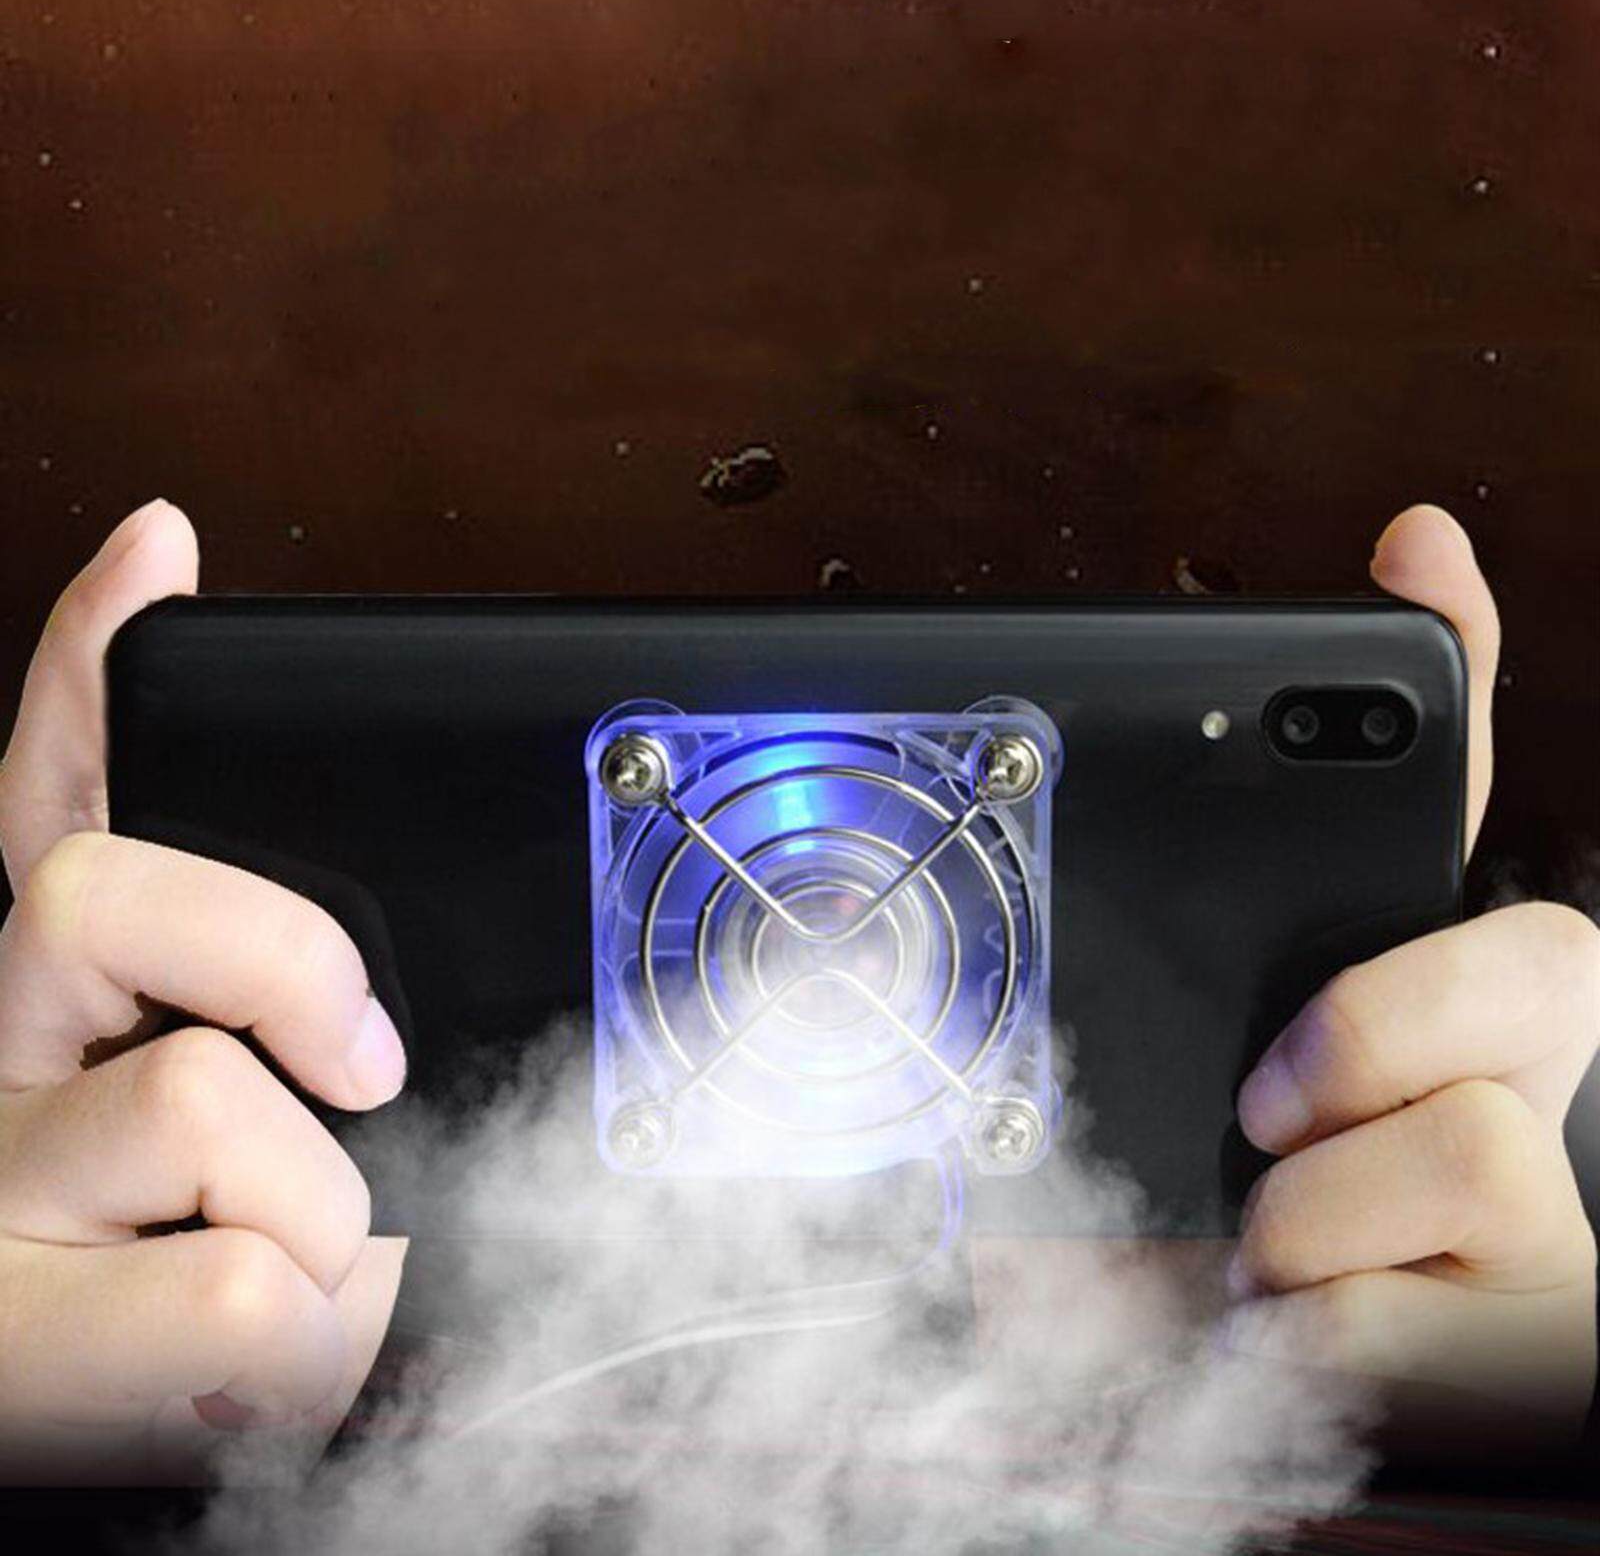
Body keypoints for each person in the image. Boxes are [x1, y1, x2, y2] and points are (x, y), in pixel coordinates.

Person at [0, 499, 1593, 1481]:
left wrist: (1432, 1455)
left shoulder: (1492, 1164)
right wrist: (92, 1472)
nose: (819, 966)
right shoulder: (114, 1158)